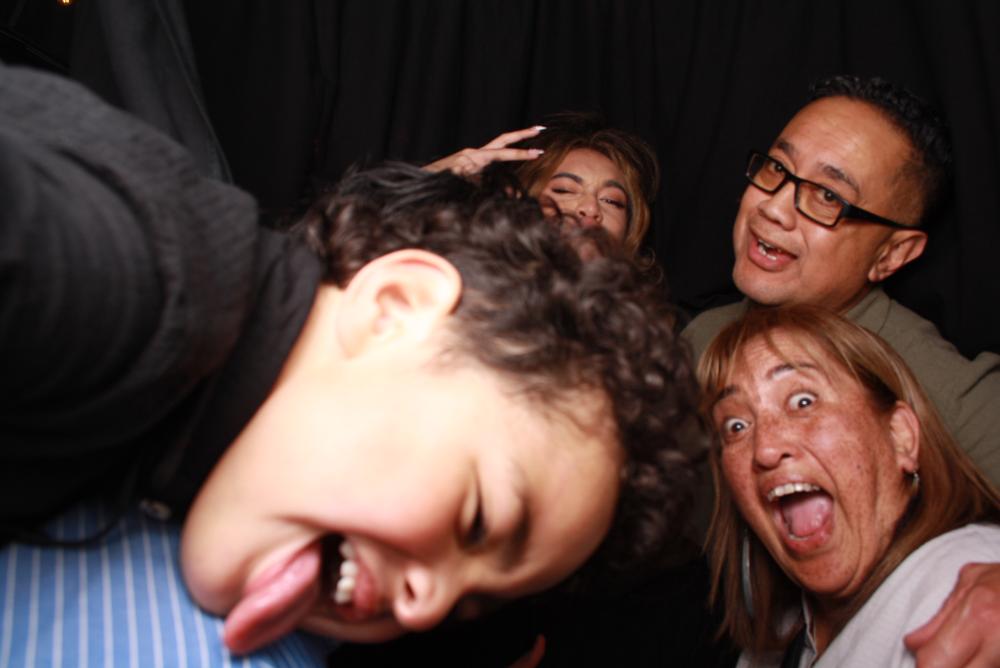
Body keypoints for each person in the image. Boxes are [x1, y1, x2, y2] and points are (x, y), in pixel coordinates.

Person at [0, 62, 701, 658]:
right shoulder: (105, 279)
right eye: (476, 520)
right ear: (394, 308)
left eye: (474, 602)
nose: (427, 607)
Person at [683, 74, 1000, 486]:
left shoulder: (940, 388)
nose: (773, 208)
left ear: (892, 254)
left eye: (828, 196)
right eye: (777, 168)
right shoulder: (700, 340)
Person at [699, 304, 1000, 667]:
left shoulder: (961, 597)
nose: (764, 449)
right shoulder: (787, 626)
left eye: (803, 401)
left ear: (901, 436)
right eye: (736, 426)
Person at [425, 111, 659, 255]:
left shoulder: (641, 321)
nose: (591, 208)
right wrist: (429, 180)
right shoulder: (461, 294)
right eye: (564, 190)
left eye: (612, 201)